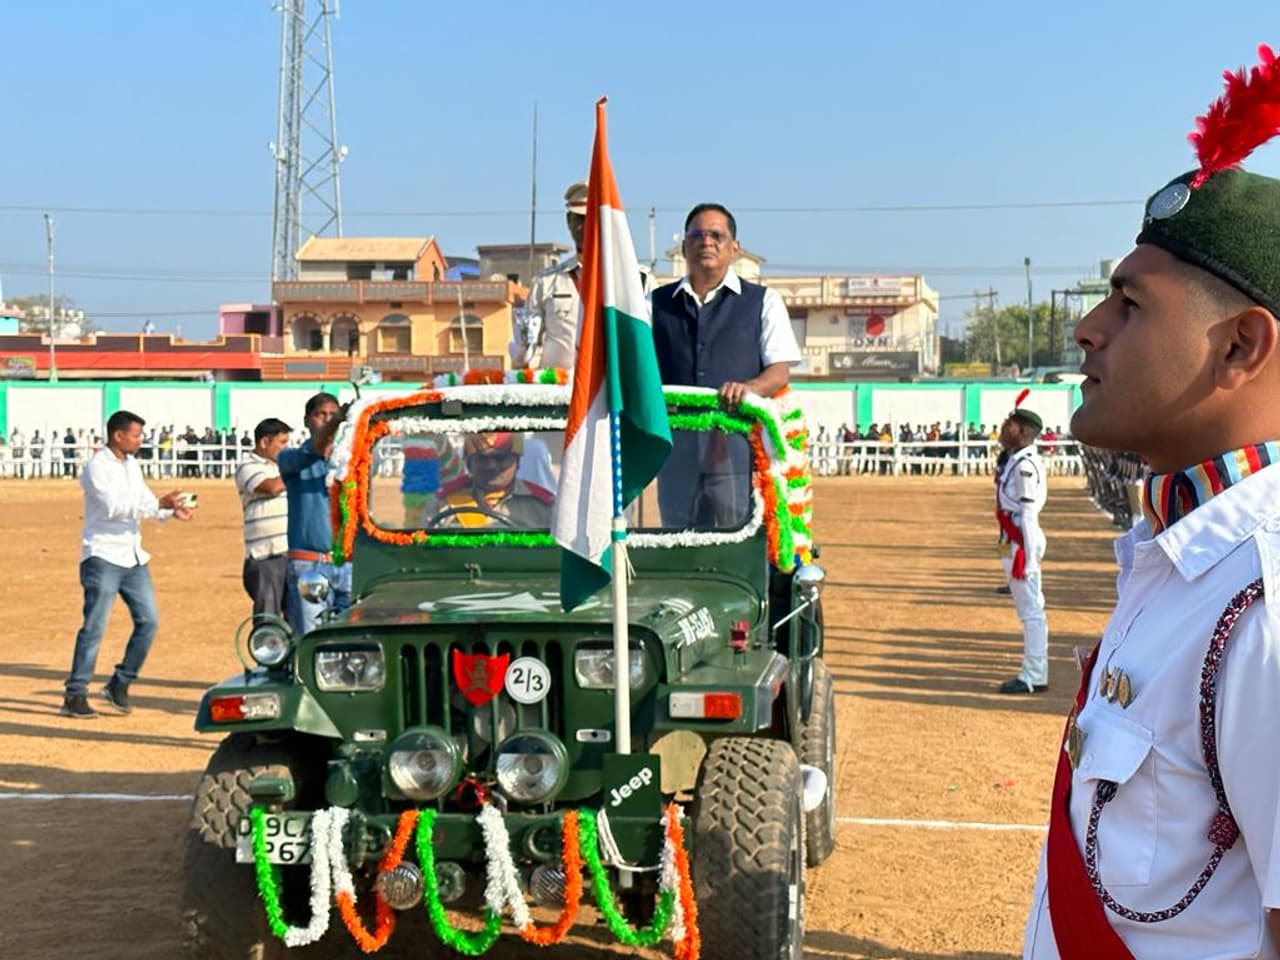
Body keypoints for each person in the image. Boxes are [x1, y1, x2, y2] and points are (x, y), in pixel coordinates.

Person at [1022, 47, 1280, 959]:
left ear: (1241, 348)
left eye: (1130, 304)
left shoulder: (1265, 597)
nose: (1090, 328)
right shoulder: (1174, 550)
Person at [650, 202, 802, 528]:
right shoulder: (654, 303)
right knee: (675, 544)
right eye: (697, 235)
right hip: (674, 452)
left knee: (729, 543)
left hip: (735, 452)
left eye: (717, 236)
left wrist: (749, 389)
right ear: (683, 247)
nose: (707, 242)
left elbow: (779, 372)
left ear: (735, 249)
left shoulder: (763, 301)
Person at [61, 410, 195, 718]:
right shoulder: (97, 466)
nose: (140, 440)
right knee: (94, 627)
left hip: (132, 556)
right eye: (136, 435)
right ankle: (75, 693)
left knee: (149, 622)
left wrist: (170, 510)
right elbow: (113, 507)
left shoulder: (132, 465)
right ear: (118, 435)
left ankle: (119, 682)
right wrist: (157, 505)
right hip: (102, 556)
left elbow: (143, 502)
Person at [278, 392, 351, 634]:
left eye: (332, 415)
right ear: (307, 421)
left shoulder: (349, 462)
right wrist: (338, 421)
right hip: (309, 565)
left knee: (353, 641)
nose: (327, 420)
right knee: (312, 640)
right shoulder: (290, 458)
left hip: (349, 564)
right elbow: (319, 444)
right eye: (321, 415)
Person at [993, 394, 1048, 695]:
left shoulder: (1026, 465)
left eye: (1011, 425)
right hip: (1013, 540)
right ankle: (1034, 671)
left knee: (1032, 612)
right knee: (1028, 610)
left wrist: (1028, 562)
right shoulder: (1015, 459)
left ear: (1025, 431)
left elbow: (1027, 514)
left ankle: (1033, 675)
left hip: (1022, 543)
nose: (1005, 428)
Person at [510, 179, 589, 371]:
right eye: (578, 219)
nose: (583, 227)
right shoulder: (546, 282)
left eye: (590, 219)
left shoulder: (632, 281)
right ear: (568, 222)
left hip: (612, 393)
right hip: (560, 391)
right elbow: (529, 345)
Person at [420, 432, 553, 529]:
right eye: (482, 459)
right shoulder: (442, 504)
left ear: (517, 462)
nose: (491, 466)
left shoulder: (543, 506)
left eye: (500, 458)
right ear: (469, 464)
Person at [235, 418, 291, 621]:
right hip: (265, 556)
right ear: (264, 443)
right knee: (268, 622)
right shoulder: (247, 466)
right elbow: (271, 487)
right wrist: (295, 469)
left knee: (297, 620)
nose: (286, 448)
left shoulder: (281, 466)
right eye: (282, 442)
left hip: (290, 552)